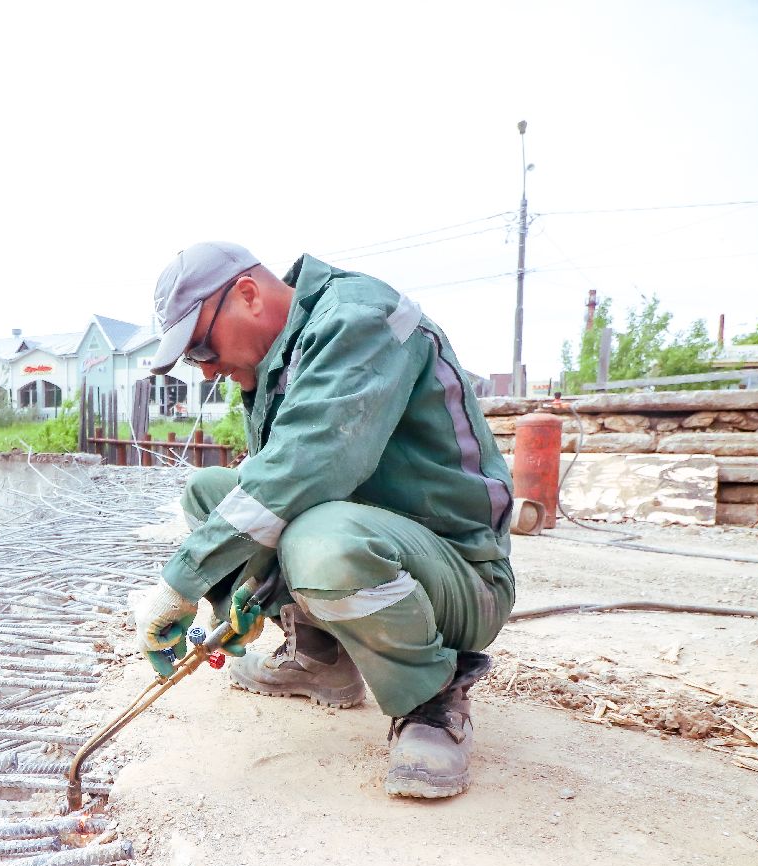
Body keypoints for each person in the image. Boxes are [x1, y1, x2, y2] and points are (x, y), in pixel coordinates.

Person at [133, 241, 515, 798]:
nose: (208, 369)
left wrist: (181, 581)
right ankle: (318, 657)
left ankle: (431, 701)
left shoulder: (360, 318)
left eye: (202, 347)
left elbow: (309, 467)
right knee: (210, 493)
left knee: (321, 543)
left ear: (247, 295)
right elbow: (268, 493)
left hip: (459, 576)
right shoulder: (282, 360)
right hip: (369, 541)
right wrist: (243, 594)